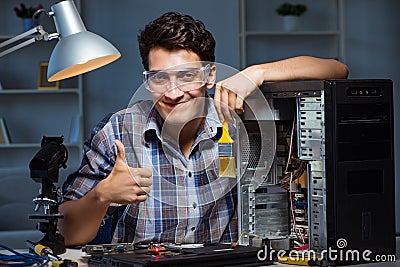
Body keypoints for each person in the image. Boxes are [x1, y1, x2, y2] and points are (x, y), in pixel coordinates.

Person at [59, 11, 348, 247]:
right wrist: (103, 195)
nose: (173, 93)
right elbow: (67, 234)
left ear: (209, 75)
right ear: (146, 80)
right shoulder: (118, 132)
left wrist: (257, 72)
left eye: (186, 76)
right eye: (159, 78)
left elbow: (337, 70)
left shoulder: (237, 119)